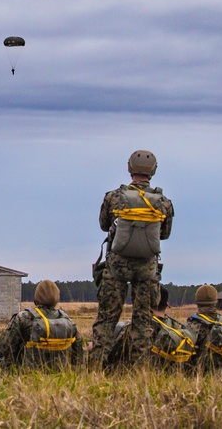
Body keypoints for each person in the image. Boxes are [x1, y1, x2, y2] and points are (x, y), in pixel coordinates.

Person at [90, 150, 174, 368]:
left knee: (107, 320)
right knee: (143, 323)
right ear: (153, 170)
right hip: (147, 268)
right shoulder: (163, 202)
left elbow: (103, 225)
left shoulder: (114, 197)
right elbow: (164, 234)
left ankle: (96, 369)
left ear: (130, 168)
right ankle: (139, 372)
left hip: (117, 265)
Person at [0, 280, 83, 370]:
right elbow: (78, 356)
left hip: (26, 375)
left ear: (36, 297)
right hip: (62, 375)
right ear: (57, 298)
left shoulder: (24, 318)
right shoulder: (68, 322)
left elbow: (2, 349)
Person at [106, 286, 196, 369]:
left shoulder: (136, 327)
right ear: (167, 305)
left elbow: (113, 357)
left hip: (137, 376)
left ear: (146, 302)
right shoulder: (178, 328)